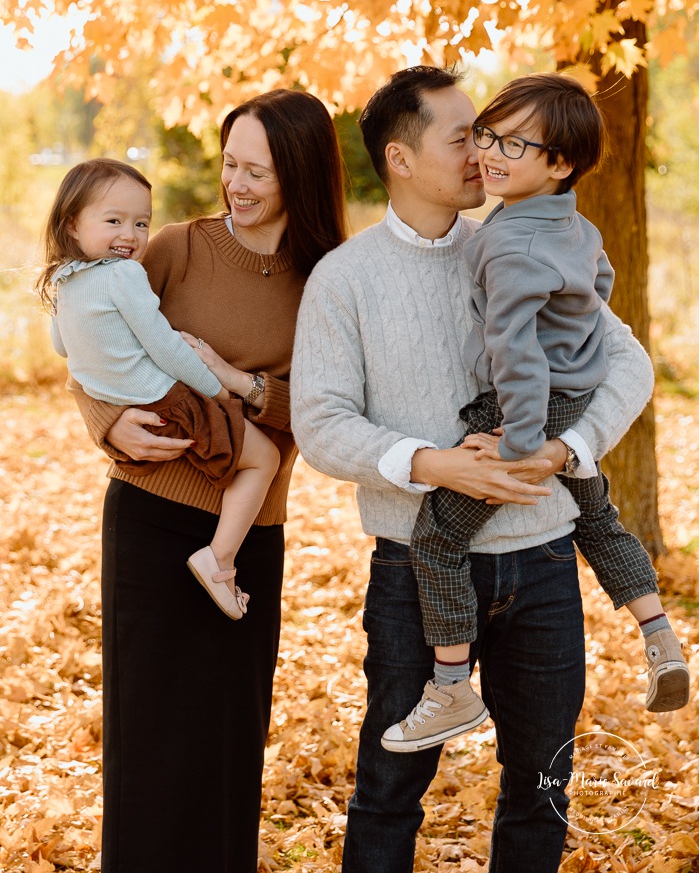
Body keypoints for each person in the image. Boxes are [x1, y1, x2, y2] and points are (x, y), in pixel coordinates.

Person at [291, 66, 655, 873]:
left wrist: (563, 449)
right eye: (465, 137)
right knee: (388, 787)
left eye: (490, 135)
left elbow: (629, 364)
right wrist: (437, 466)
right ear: (400, 158)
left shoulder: (519, 242)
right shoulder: (345, 279)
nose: (483, 153)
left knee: (542, 785)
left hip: (544, 561)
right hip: (413, 571)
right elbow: (318, 424)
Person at [60, 90, 347, 873]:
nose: (235, 185)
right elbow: (89, 339)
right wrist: (105, 422)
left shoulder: (328, 279)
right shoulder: (175, 247)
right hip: (149, 517)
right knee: (146, 735)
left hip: (246, 532)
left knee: (225, 739)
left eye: (257, 171)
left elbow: (327, 410)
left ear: (299, 175)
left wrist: (243, 384)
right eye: (229, 164)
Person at [384, 73, 688, 753]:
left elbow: (515, 353)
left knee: (437, 538)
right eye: (488, 135)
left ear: (560, 163)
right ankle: (659, 637)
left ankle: (451, 687)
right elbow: (599, 283)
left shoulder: (508, 244)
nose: (490, 153)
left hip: (523, 407)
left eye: (514, 145)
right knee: (597, 518)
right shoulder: (572, 224)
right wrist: (576, 347)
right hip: (573, 396)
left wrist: (519, 443)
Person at [38, 157, 282, 621]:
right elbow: (165, 346)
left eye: (141, 223)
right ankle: (220, 560)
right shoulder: (125, 275)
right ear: (72, 223)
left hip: (137, 416)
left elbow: (62, 347)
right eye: (114, 221)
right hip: (172, 402)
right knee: (264, 459)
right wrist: (218, 391)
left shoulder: (63, 280)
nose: (130, 235)